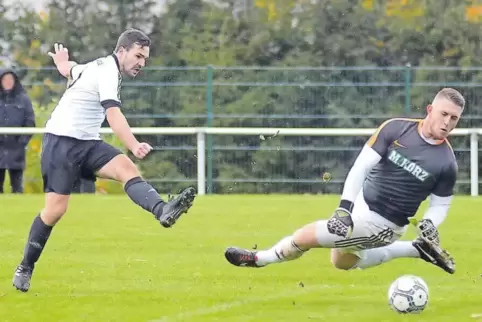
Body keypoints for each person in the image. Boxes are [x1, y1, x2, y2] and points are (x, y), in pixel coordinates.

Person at [13, 28, 196, 292]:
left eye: (145, 58)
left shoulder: (95, 67)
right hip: (61, 143)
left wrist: (62, 63)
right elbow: (113, 115)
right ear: (121, 51)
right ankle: (25, 266)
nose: (141, 63)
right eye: (138, 56)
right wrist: (133, 144)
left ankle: (162, 210)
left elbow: (71, 70)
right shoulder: (108, 72)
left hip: (87, 143)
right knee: (55, 210)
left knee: (126, 168)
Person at [225, 87, 463, 275]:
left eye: (454, 118)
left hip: (384, 225)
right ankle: (416, 249)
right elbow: (361, 166)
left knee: (307, 236)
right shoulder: (395, 128)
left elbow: (440, 204)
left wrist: (431, 223)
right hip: (361, 203)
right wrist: (345, 208)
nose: (447, 123)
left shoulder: (446, 162)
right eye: (444, 114)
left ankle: (258, 259)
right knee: (341, 262)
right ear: (430, 109)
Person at [0, 69, 36, 193]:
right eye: (5, 79)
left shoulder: (23, 99)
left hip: (16, 148)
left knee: (17, 186)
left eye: (11, 79)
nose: (8, 82)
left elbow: (30, 122)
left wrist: (22, 142)